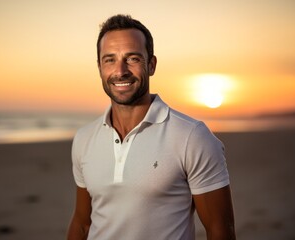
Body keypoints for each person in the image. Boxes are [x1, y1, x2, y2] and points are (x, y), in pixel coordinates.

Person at [67, 14, 236, 240]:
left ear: (151, 64)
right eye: (109, 60)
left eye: (133, 58)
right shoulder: (84, 139)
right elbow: (82, 224)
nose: (120, 71)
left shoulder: (192, 137)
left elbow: (220, 231)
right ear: (99, 67)